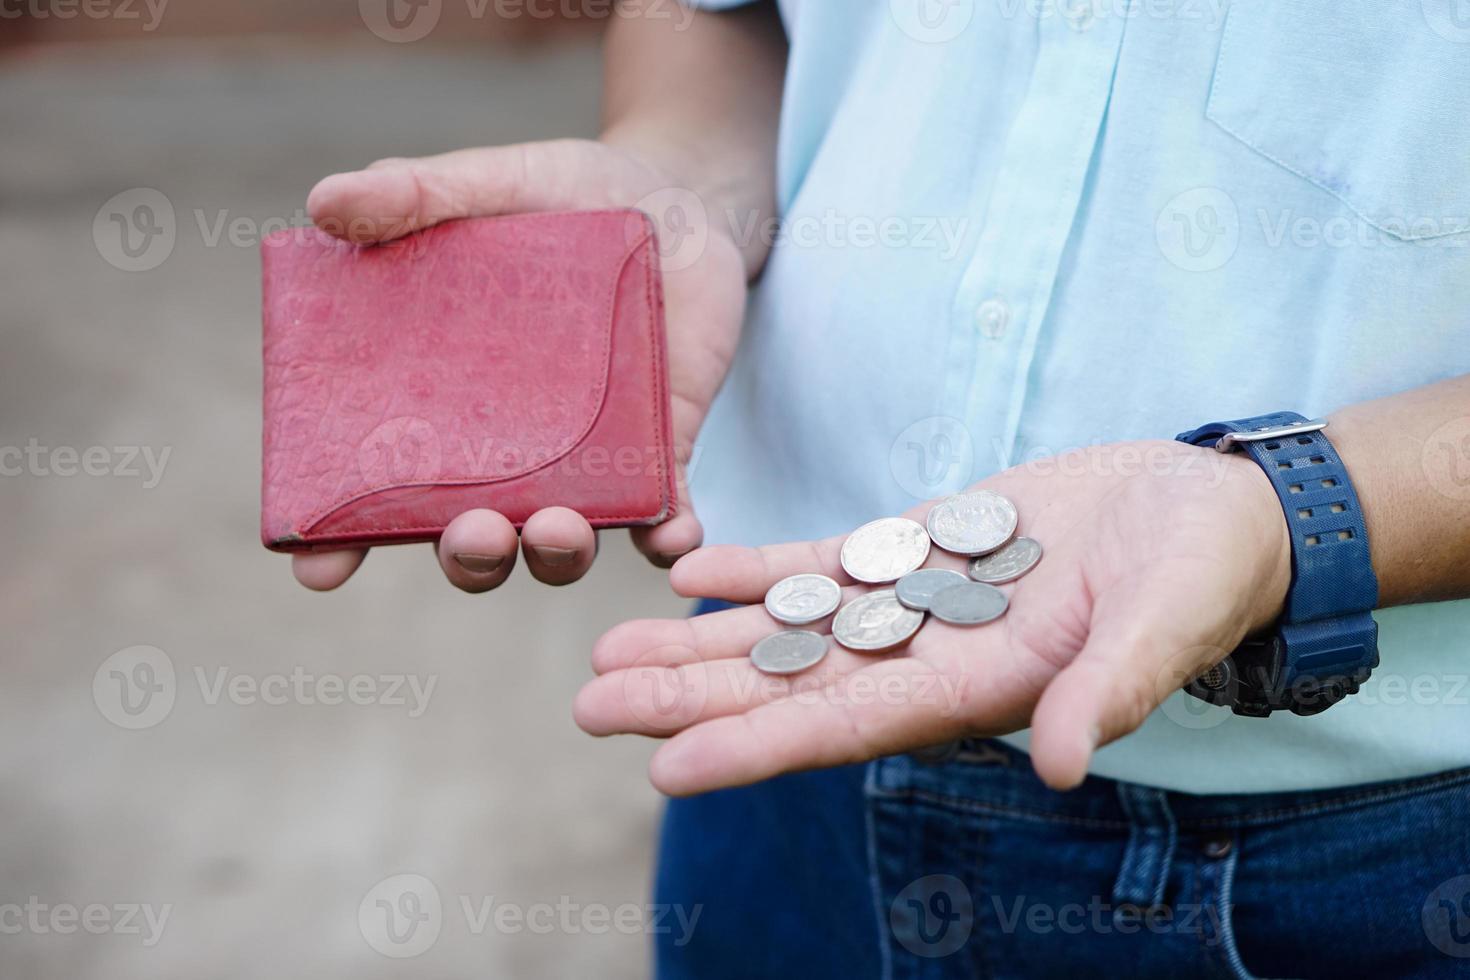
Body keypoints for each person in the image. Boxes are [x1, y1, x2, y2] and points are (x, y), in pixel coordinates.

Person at [291, 1, 1470, 975]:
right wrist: (678, 173)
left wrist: (1293, 510)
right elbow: (726, 18)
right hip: (784, 713)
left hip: (1373, 859)